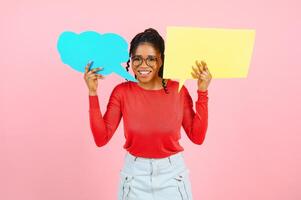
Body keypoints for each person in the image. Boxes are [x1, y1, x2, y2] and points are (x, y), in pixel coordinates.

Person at [84, 28, 212, 200]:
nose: (143, 65)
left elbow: (197, 137)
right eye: (137, 59)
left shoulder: (178, 91)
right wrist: (93, 93)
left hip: (172, 177)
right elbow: (101, 138)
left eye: (151, 59)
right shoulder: (122, 92)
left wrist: (202, 91)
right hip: (135, 176)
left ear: (160, 61)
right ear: (131, 60)